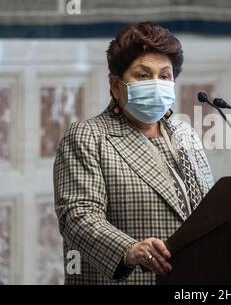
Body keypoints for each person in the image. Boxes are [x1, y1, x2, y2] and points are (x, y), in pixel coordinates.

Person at [53, 22, 214, 284]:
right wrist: (129, 250)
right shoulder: (88, 136)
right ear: (116, 86)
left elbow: (209, 209)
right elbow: (78, 216)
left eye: (164, 76)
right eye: (142, 75)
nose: (156, 83)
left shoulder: (185, 133)